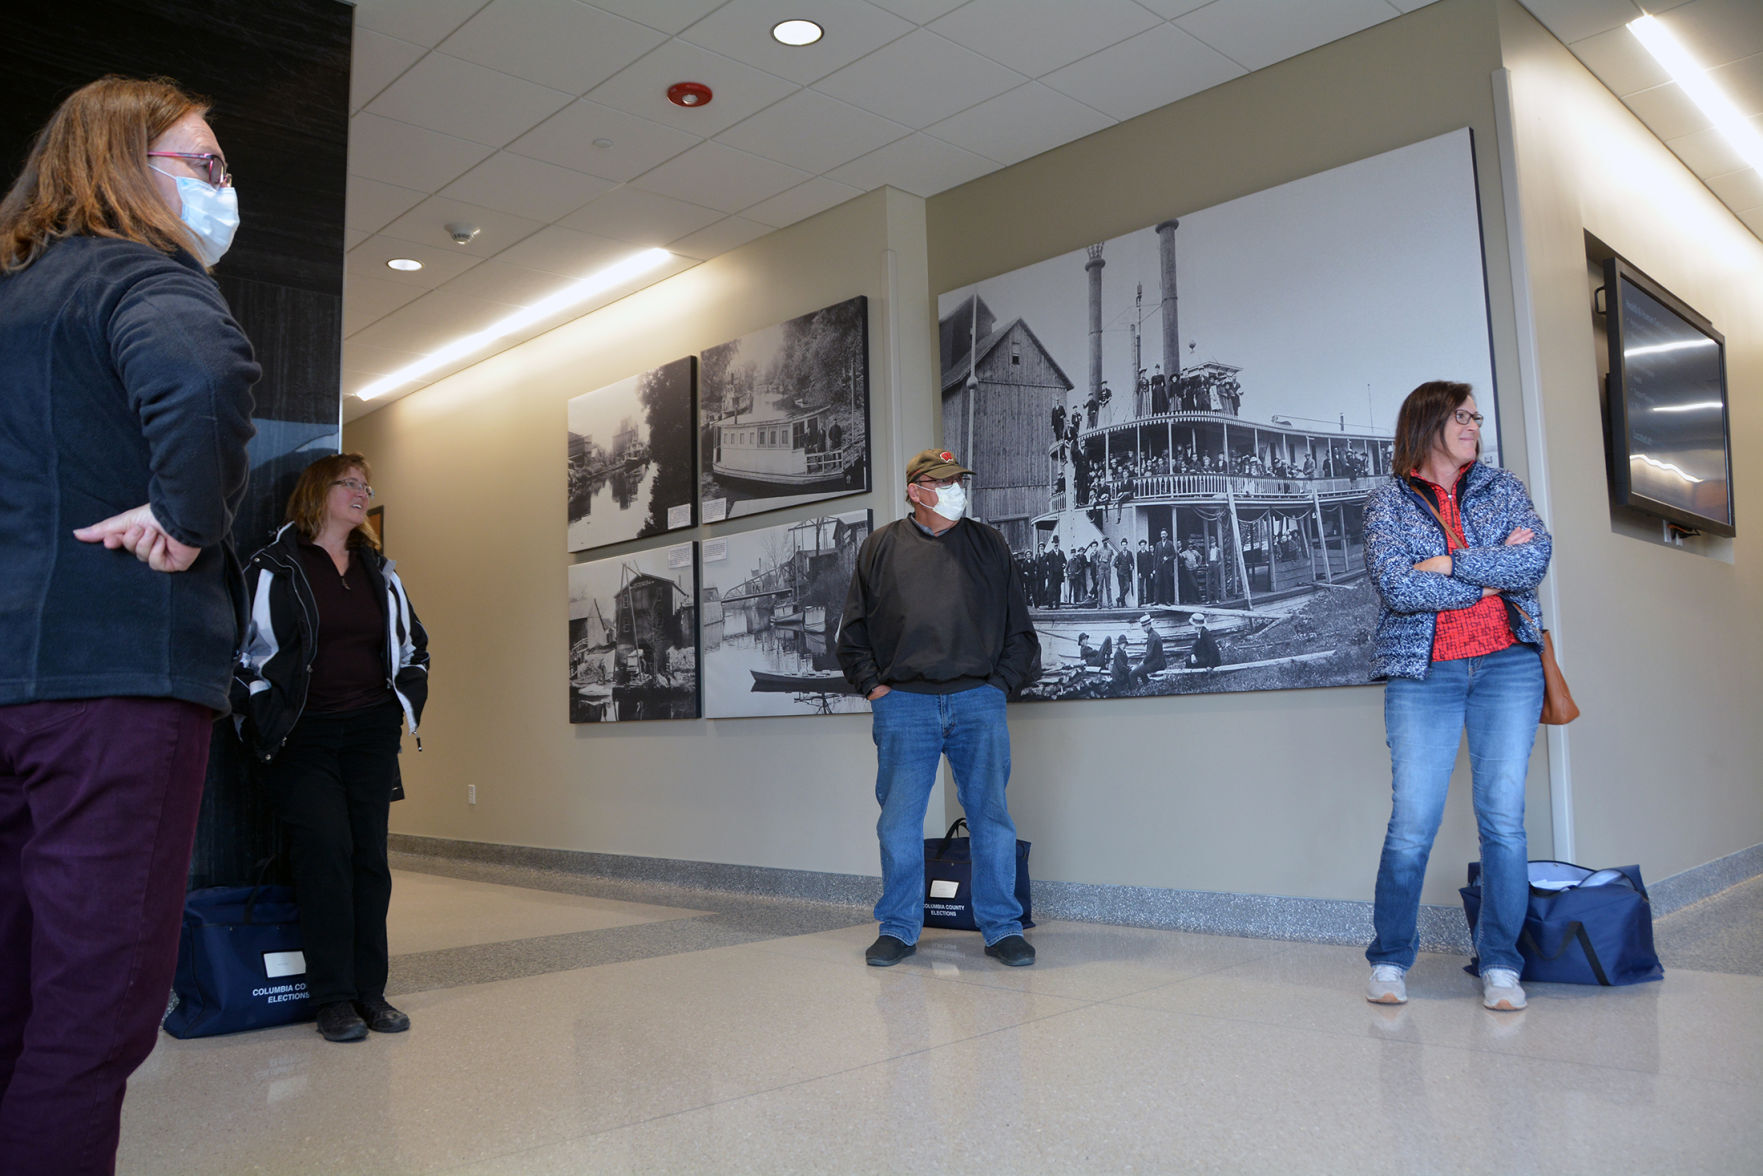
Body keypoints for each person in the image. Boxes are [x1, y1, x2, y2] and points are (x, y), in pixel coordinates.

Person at [0, 76, 258, 1174]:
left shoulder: (14, 296)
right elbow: (203, 380)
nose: (223, 188)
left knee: (12, 996)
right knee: (88, 1017)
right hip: (114, 689)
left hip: (15, 680)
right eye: (204, 165)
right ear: (121, 167)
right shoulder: (141, 273)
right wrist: (188, 518)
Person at [1361, 381, 1550, 1013]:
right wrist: (1489, 571)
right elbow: (1396, 586)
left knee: (1502, 821)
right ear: (1427, 422)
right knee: (1413, 823)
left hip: (1508, 669)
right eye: (1461, 416)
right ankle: (1389, 961)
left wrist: (1445, 565)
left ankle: (1500, 962)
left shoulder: (1503, 487)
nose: (1473, 425)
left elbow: (1534, 561)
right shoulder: (1388, 500)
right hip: (1427, 673)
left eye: (1475, 416)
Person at [233, 454, 430, 1042]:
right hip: (303, 736)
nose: (363, 492)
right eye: (352, 483)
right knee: (325, 856)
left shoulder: (380, 570)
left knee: (370, 862)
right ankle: (334, 999)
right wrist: (264, 713)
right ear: (319, 492)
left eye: (367, 485)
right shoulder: (274, 566)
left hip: (370, 734)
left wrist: (403, 701)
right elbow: (240, 652)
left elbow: (413, 644)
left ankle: (371, 992)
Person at [838, 448, 1041, 968]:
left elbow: (1019, 628)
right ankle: (900, 928)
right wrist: (874, 689)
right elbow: (854, 633)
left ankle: (1001, 927)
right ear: (916, 491)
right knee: (899, 822)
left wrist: (999, 687)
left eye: (958, 481)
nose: (956, 490)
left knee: (990, 818)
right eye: (943, 482)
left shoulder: (987, 543)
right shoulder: (880, 547)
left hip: (978, 700)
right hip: (905, 703)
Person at [1129, 614, 1167, 687]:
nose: (1143, 628)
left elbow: (1149, 655)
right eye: (1142, 626)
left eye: (1144, 626)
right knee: (1140, 670)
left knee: (1132, 674)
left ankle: (1135, 692)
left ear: (1149, 625)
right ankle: (1147, 685)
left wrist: (1142, 663)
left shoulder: (1152, 637)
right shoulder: (1153, 634)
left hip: (1155, 664)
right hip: (1158, 662)